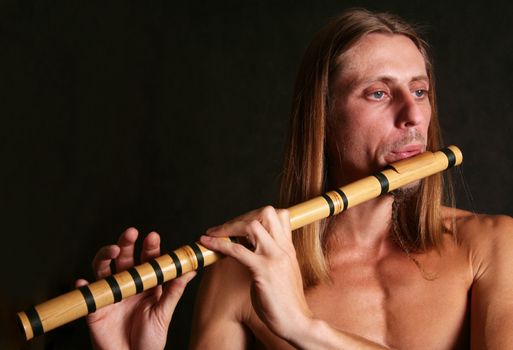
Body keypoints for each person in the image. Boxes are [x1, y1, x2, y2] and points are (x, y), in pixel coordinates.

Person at [80, 8, 513, 349]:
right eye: (379, 93)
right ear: (323, 116)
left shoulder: (492, 245)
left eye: (419, 90)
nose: (414, 114)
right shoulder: (240, 275)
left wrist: (304, 329)